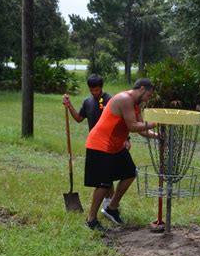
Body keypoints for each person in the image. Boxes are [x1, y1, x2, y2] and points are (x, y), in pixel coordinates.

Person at [84, 78, 158, 231]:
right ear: (142, 88)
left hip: (116, 146)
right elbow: (132, 126)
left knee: (130, 173)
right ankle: (91, 220)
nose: (148, 98)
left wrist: (157, 135)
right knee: (103, 184)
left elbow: (142, 129)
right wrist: (158, 122)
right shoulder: (124, 99)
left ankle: (112, 208)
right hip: (100, 144)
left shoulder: (136, 105)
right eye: (149, 95)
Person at [62, 74, 121, 210]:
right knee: (101, 177)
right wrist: (69, 105)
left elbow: (120, 122)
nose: (95, 93)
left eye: (97, 90)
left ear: (102, 87)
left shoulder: (111, 101)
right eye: (92, 90)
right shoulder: (87, 102)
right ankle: (108, 203)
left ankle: (110, 204)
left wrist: (126, 140)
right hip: (95, 144)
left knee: (108, 176)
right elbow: (78, 118)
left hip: (110, 143)